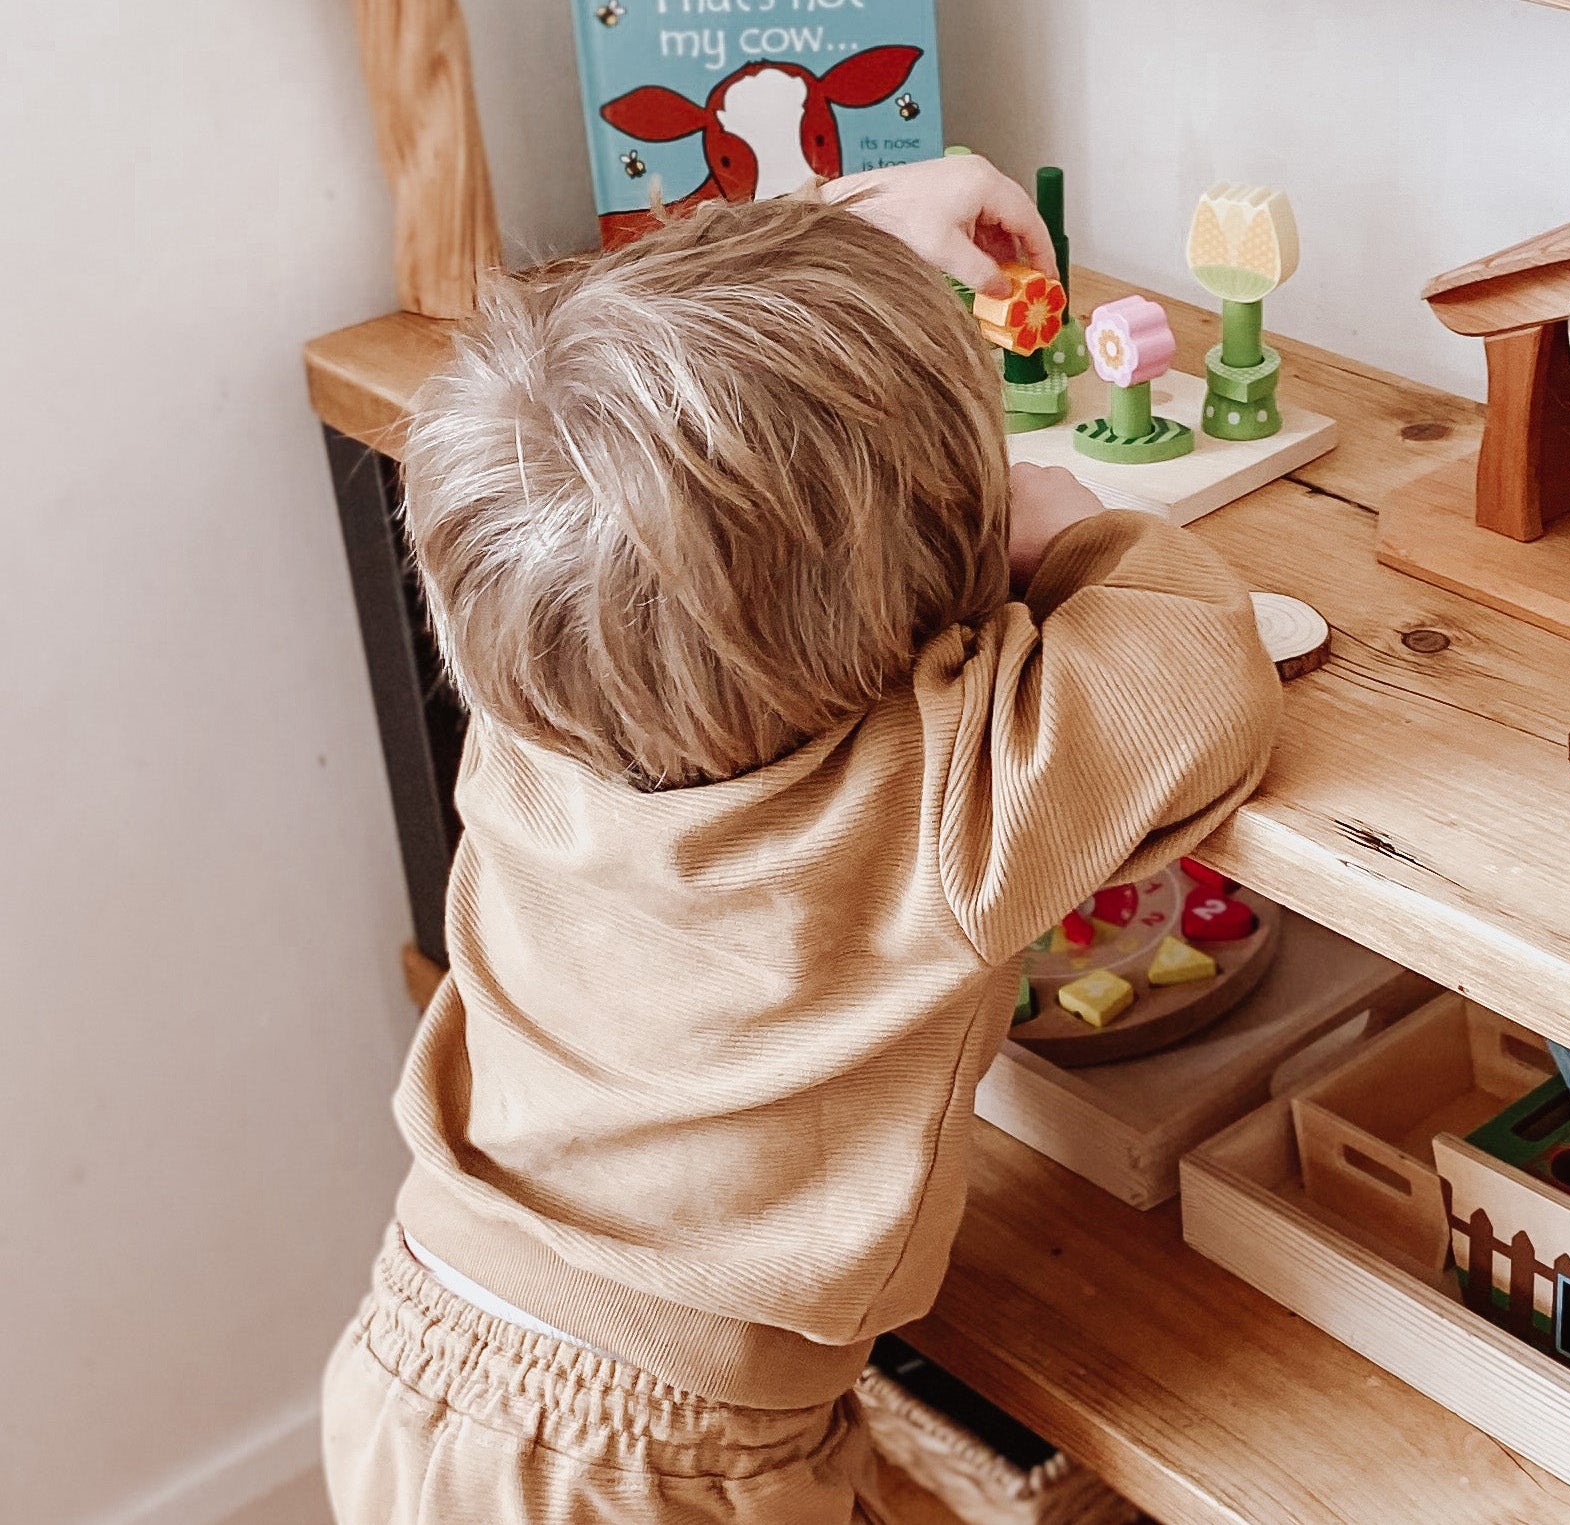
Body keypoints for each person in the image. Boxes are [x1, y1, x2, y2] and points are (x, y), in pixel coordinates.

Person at [320, 155, 1284, 1524]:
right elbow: (1197, 672)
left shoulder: (535, 712)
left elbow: (619, 418)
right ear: (932, 595)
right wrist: (1068, 524)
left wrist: (845, 231)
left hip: (419, 1345)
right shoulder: (937, 791)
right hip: (660, 1464)